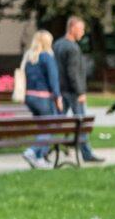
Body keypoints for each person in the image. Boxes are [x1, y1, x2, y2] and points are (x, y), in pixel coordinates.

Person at [53, 16, 103, 163]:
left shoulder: (58, 44)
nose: (83, 32)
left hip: (61, 90)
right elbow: (73, 72)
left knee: (56, 123)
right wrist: (80, 92)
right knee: (81, 123)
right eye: (81, 29)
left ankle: (42, 150)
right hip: (73, 92)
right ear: (72, 28)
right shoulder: (72, 48)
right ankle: (87, 154)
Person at [20, 31, 63, 168]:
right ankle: (33, 151)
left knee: (43, 128)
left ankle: (39, 158)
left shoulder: (29, 58)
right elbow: (53, 80)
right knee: (51, 127)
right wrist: (58, 97)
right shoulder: (47, 57)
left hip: (30, 97)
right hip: (43, 98)